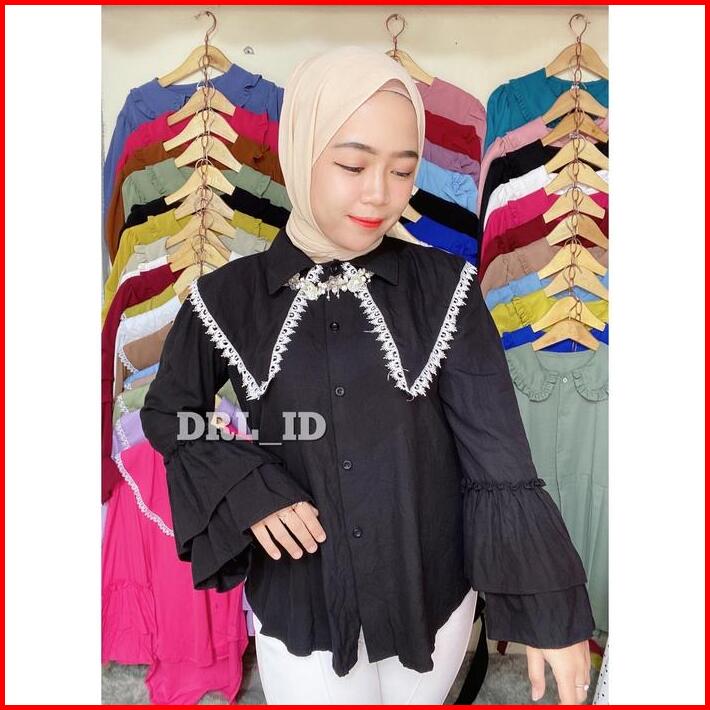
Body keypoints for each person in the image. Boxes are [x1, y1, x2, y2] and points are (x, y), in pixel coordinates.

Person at [140, 45, 594, 705]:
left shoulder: (445, 288)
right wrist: (245, 483)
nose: (380, 193)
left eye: (403, 170)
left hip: (431, 596)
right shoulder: (226, 299)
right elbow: (169, 414)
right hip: (299, 600)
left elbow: (499, 457)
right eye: (353, 165)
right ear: (302, 150)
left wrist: (549, 606)